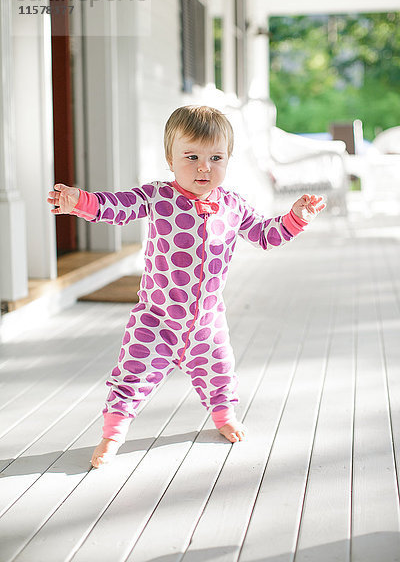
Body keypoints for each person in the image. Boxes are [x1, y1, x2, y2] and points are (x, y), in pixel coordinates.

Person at [47, 105, 325, 468]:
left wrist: (295, 218)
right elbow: (117, 206)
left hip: (207, 323)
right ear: (170, 158)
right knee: (131, 376)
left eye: (215, 157)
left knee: (221, 373)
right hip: (156, 320)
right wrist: (80, 201)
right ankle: (112, 434)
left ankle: (224, 417)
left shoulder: (232, 205)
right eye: (191, 156)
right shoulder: (158, 197)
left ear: (228, 159)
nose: (203, 167)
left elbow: (264, 235)